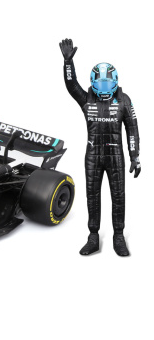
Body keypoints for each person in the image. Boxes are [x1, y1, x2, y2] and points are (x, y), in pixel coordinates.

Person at [59, 38, 140, 256]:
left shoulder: (124, 100)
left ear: (115, 82)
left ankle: (118, 236)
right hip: (93, 155)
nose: (104, 88)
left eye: (107, 83)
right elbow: (71, 85)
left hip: (116, 156)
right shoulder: (87, 99)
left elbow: (132, 128)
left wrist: (134, 156)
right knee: (92, 196)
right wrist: (68, 63)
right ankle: (93, 237)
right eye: (100, 83)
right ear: (94, 83)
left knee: (119, 196)